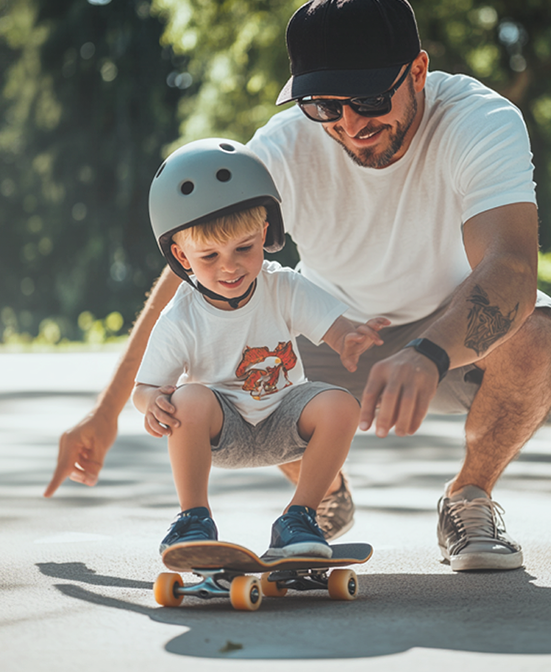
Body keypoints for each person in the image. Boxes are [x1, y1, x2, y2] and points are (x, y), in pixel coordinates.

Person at [46, 0, 551, 573]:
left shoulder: (480, 121)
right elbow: (191, 277)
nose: (349, 123)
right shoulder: (283, 149)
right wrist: (106, 412)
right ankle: (319, 499)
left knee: (534, 333)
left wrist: (427, 352)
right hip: (326, 332)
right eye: (323, 106)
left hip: (450, 333)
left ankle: (469, 497)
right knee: (228, 337)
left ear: (418, 70)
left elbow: (513, 268)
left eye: (369, 99)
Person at [134, 140, 384, 562]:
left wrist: (350, 338)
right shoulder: (181, 317)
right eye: (209, 256)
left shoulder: (281, 286)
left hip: (285, 418)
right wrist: (153, 403)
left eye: (243, 249)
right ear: (181, 256)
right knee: (188, 397)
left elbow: (333, 327)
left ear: (264, 234)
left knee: (341, 405)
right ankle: (193, 519)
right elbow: (145, 387)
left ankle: (299, 518)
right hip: (222, 428)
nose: (229, 267)